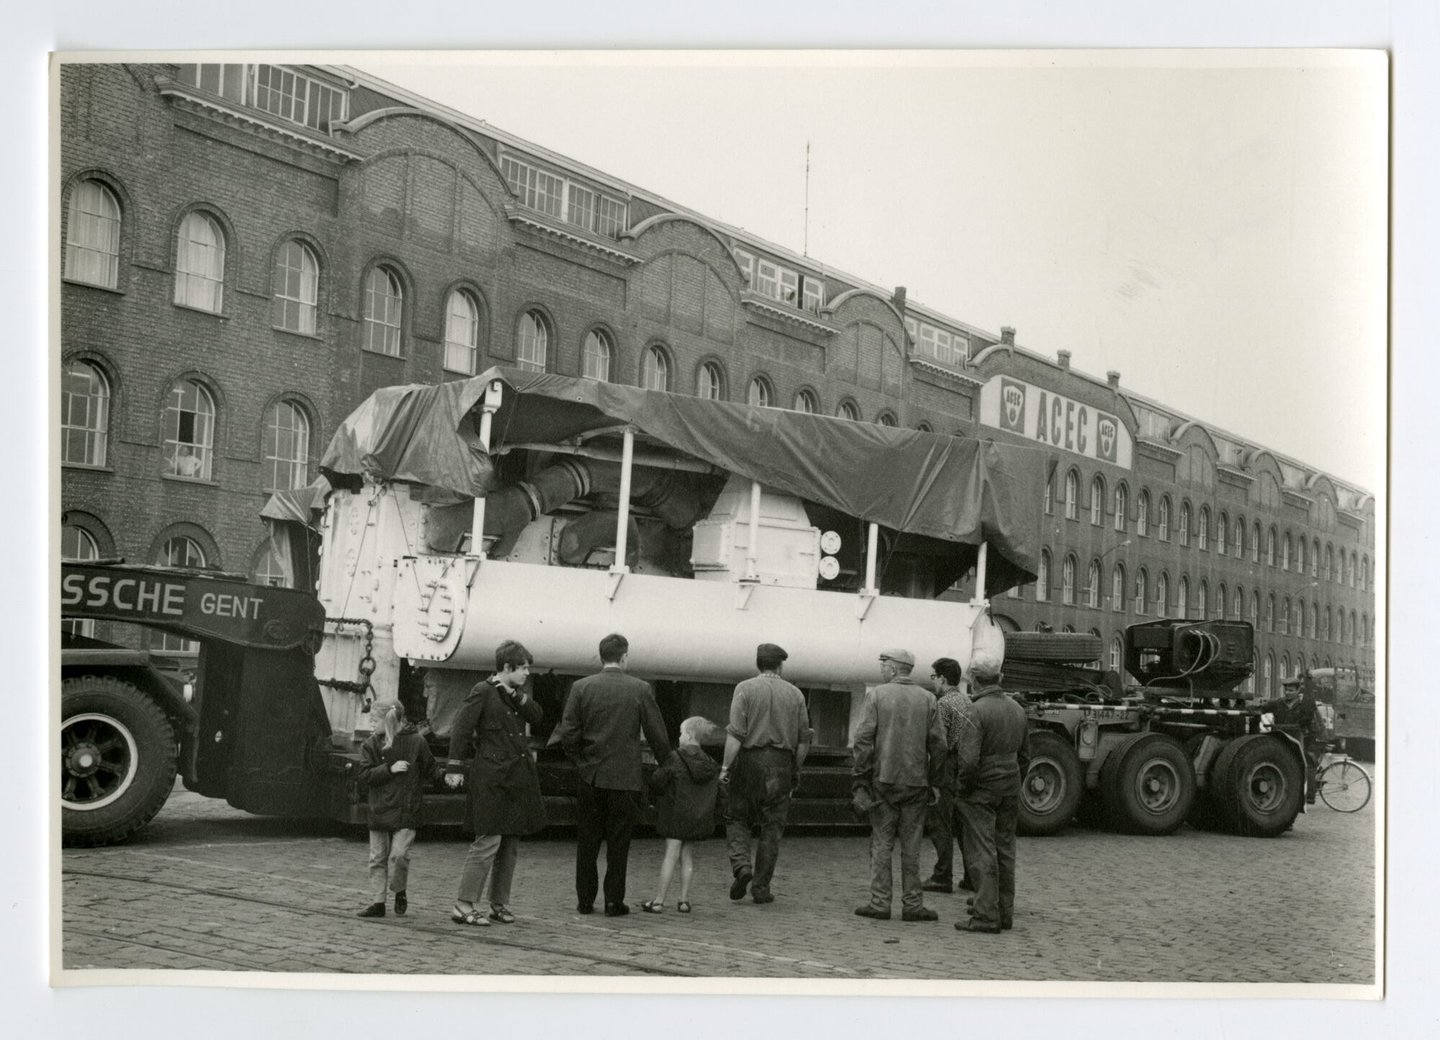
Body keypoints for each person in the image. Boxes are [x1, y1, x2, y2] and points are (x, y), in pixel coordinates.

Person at [556, 633, 672, 916]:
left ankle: (585, 901)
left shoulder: (581, 687)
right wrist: (666, 763)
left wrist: (581, 759)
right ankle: (613, 901)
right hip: (625, 777)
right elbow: (657, 734)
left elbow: (568, 732)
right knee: (619, 844)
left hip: (591, 775)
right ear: (624, 657)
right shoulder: (640, 689)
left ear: (601, 656)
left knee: (587, 842)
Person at [447, 639, 545, 927]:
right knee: (488, 840)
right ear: (506, 667)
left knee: (510, 843)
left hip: (516, 778)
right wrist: (454, 766)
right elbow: (461, 729)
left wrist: (514, 695)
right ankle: (463, 904)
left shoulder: (516, 694)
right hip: (491, 778)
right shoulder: (482, 691)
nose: (527, 673)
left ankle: (498, 903)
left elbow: (537, 716)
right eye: (523, 668)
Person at [852, 648, 948, 922]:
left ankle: (880, 903)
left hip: (883, 781)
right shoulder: (928, 699)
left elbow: (862, 741)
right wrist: (935, 780)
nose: (881, 668)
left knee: (882, 844)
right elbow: (939, 746)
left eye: (883, 664)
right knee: (912, 846)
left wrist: (861, 778)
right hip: (917, 783)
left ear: (894, 669)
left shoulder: (878, 696)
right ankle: (913, 904)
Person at [720, 642, 811, 905]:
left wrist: (726, 768)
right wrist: (795, 767)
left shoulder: (744, 689)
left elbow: (736, 734)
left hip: (750, 761)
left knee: (737, 816)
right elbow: (803, 740)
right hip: (782, 763)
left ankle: (741, 867)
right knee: (772, 828)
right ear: (780, 665)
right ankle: (761, 888)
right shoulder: (795, 694)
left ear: (758, 663)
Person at [951, 657, 1031, 934]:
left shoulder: (975, 710)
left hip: (982, 789)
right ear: (1001, 678)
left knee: (981, 851)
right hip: (1010, 785)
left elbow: (969, 760)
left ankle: (986, 914)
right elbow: (1025, 756)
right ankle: (1004, 912)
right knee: (1005, 848)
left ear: (974, 680)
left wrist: (963, 787)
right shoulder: (1018, 709)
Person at [355, 699, 440, 919]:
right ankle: (378, 902)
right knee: (377, 858)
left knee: (399, 856)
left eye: (375, 719)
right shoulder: (371, 745)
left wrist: (448, 777)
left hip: (406, 807)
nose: (371, 723)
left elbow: (431, 768)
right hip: (380, 807)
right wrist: (388, 769)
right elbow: (364, 776)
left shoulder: (416, 742)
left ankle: (399, 890)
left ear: (389, 719)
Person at [639, 716, 723, 914]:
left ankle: (659, 901)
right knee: (687, 856)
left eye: (681, 733)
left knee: (671, 854)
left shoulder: (674, 758)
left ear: (689, 735)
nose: (679, 737)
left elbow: (658, 781)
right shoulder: (709, 762)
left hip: (675, 814)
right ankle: (684, 901)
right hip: (696, 817)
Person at [922, 657, 973, 894]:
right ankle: (972, 875)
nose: (933, 682)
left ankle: (942, 875)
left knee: (940, 822)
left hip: (948, 767)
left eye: (933, 677)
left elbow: (940, 744)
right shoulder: (967, 701)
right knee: (963, 825)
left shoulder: (943, 704)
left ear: (942, 679)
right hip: (966, 766)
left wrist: (934, 780)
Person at [1259, 673, 1324, 803]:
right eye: (1286, 690)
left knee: (1306, 763)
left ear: (1298, 690)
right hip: (1281, 740)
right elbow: (1261, 709)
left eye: (1291, 690)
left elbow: (1316, 724)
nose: (1287, 693)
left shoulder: (1304, 705)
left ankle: (1309, 796)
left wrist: (1315, 739)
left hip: (1300, 740)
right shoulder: (1278, 703)